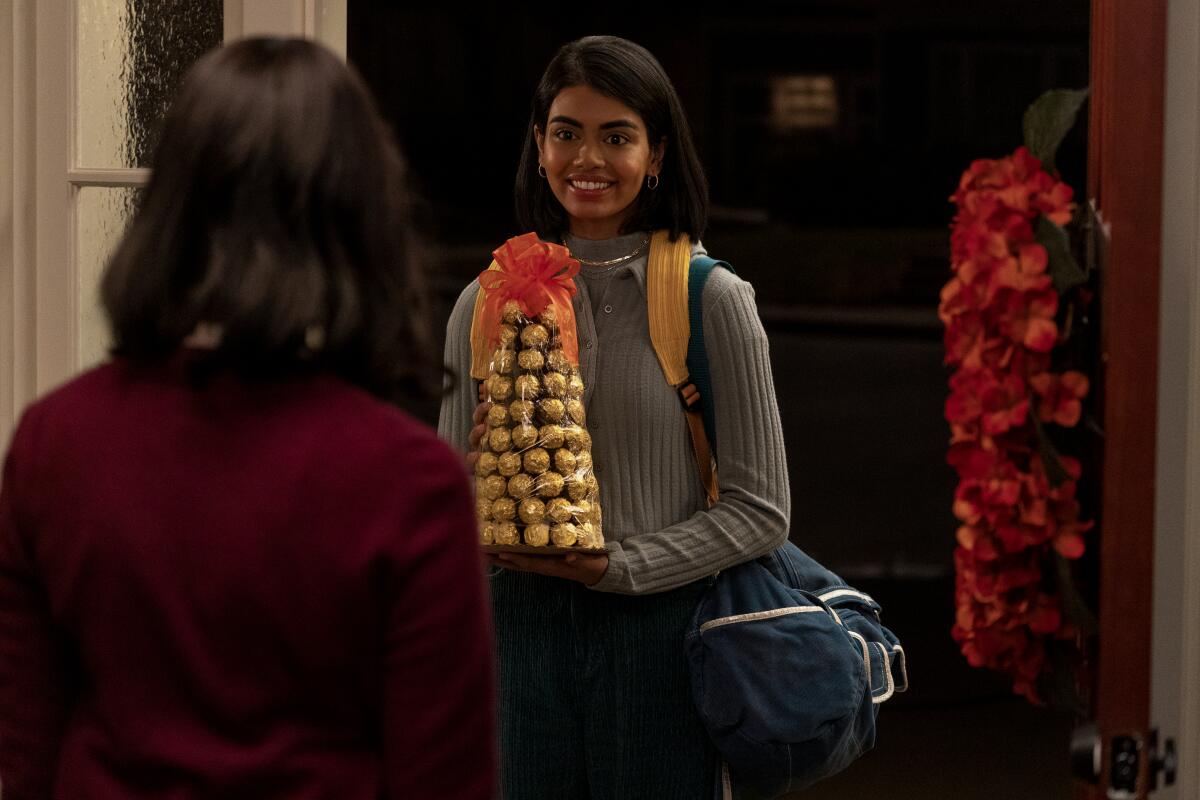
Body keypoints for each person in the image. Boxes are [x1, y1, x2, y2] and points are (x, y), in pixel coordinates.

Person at [0, 38, 495, 800]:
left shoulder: (53, 442)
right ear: (361, 224)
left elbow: (25, 757)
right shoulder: (408, 481)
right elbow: (444, 782)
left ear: (168, 211)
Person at [438, 35, 789, 799]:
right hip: (520, 642)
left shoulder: (711, 301)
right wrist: (475, 482)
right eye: (566, 133)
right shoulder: (485, 302)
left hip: (661, 642)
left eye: (616, 136)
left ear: (656, 153)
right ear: (539, 146)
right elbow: (447, 521)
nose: (586, 158)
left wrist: (618, 568)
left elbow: (762, 511)